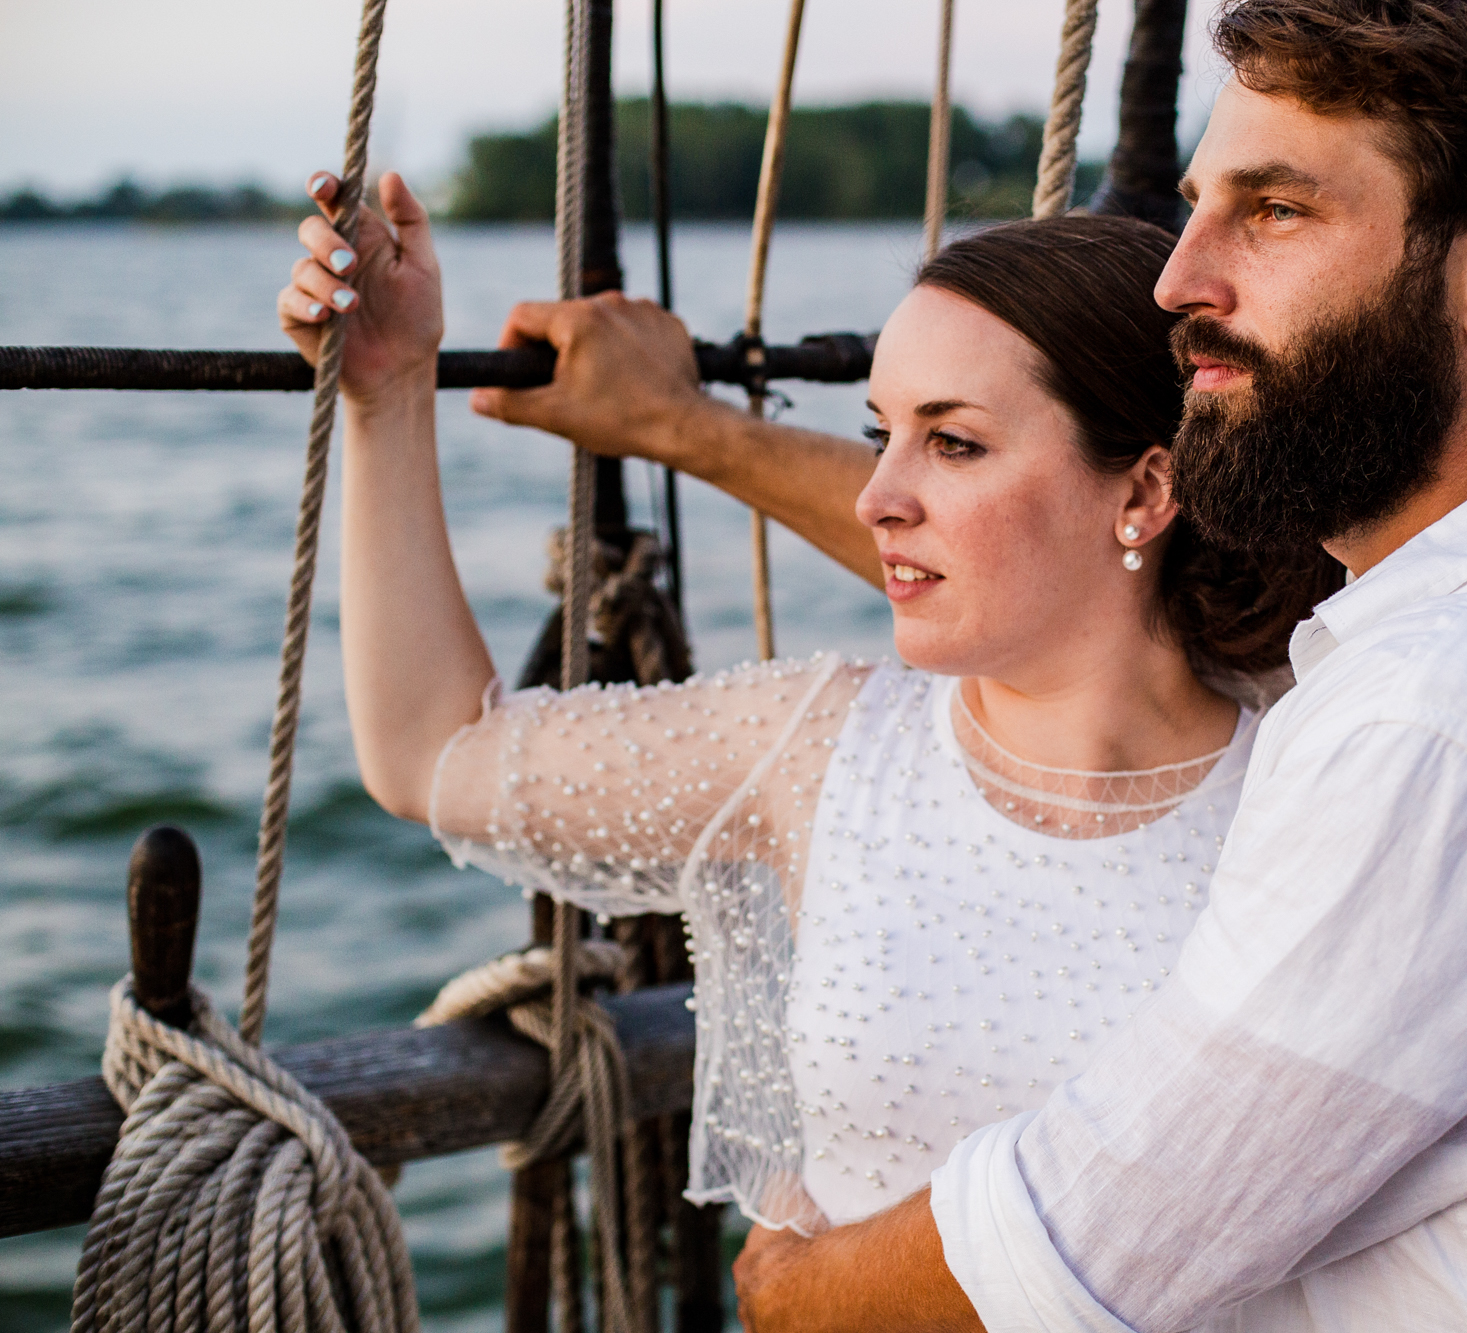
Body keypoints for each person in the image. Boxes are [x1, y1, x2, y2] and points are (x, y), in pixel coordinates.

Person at [451, 0, 1467, 1329]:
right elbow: (1067, 558)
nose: (1180, 278)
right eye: (1202, 203)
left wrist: (786, 1290)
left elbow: (1077, 1250)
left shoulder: (1440, 724)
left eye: (1275, 213)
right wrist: (683, 427)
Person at [277, 199, 1340, 1233]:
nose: (877, 494)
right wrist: (387, 391)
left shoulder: (1325, 765)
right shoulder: (821, 747)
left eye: (953, 442)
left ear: (1145, 491)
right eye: (881, 432)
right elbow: (432, 754)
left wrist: (683, 423)